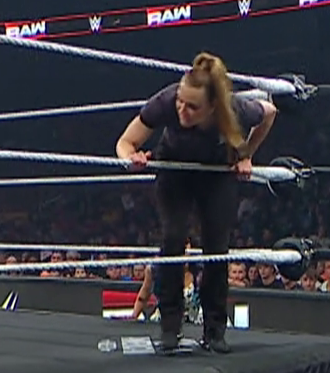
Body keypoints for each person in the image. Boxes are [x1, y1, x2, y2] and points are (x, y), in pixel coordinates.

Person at [116, 52, 279, 354]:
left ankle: (215, 331)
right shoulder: (166, 101)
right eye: (181, 101)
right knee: (173, 238)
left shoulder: (234, 109)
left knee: (216, 247)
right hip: (174, 172)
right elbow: (125, 142)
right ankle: (170, 327)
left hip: (215, 174)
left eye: (192, 107)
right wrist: (131, 158)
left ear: (212, 107)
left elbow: (269, 112)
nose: (183, 110)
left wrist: (246, 153)